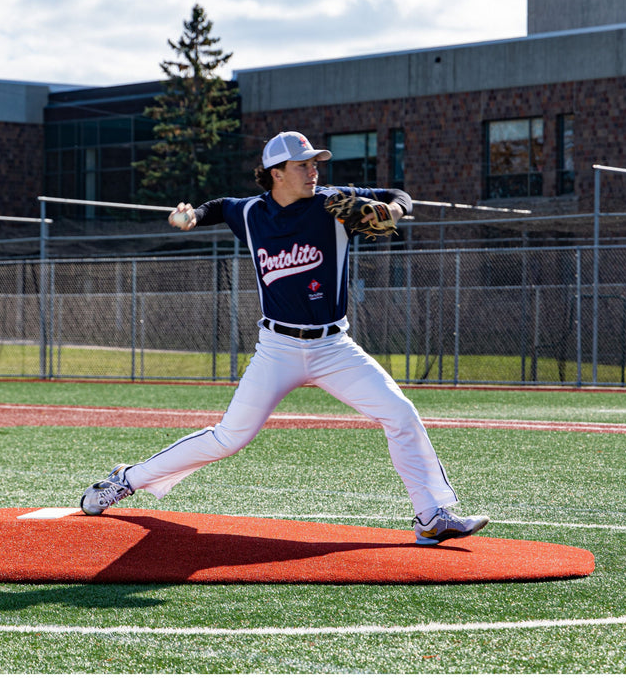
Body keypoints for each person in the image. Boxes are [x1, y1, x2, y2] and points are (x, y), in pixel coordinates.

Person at [80, 131, 489, 546]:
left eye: (315, 163)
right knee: (229, 437)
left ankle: (430, 517)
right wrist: (195, 215)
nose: (314, 170)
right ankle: (125, 480)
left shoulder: (331, 202)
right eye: (303, 164)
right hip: (277, 348)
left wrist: (395, 209)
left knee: (400, 414)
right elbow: (222, 206)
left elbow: (397, 193)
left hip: (333, 347)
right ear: (276, 173)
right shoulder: (253, 213)